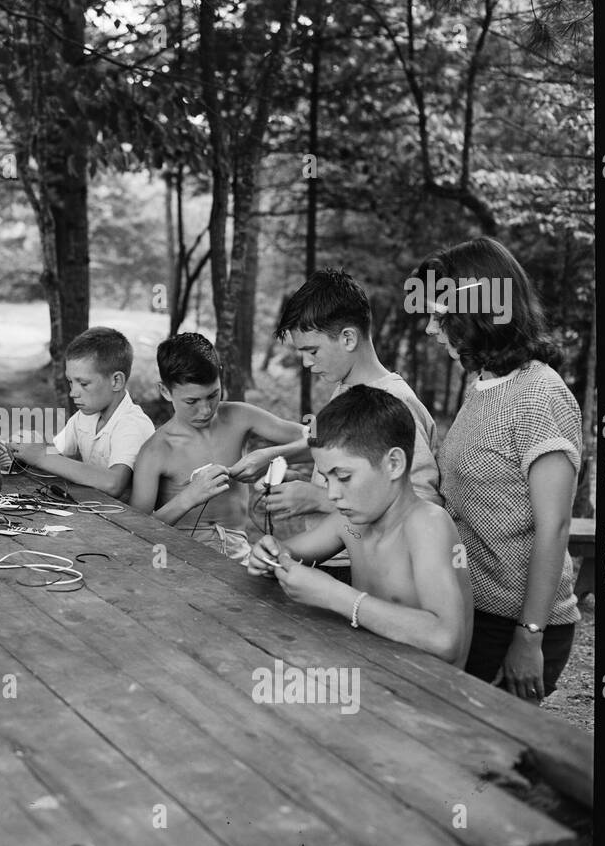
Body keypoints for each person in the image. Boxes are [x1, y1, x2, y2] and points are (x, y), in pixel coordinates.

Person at [417, 236, 582, 701]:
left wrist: (528, 636)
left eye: (441, 315)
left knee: (487, 765)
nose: (431, 329)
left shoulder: (540, 396)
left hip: (519, 624)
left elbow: (555, 526)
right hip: (472, 607)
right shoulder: (483, 385)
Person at [246, 385, 472, 667]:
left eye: (343, 476)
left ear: (393, 463)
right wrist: (268, 556)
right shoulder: (350, 522)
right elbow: (287, 552)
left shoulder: (426, 525)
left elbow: (446, 639)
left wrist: (336, 596)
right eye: (327, 479)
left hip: (429, 696)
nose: (332, 494)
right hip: (374, 676)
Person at [240, 269, 443, 534]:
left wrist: (319, 498)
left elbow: (422, 507)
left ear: (348, 338)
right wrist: (300, 478)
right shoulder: (345, 387)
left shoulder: (394, 402)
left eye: (312, 351)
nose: (306, 362)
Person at [129, 333, 306, 555]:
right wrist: (188, 498)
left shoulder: (239, 417)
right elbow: (133, 530)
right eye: (191, 401)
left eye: (213, 395)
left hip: (238, 553)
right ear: (165, 391)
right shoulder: (156, 450)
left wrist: (269, 457)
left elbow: (317, 437)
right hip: (179, 556)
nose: (205, 410)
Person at [3, 327, 155, 499]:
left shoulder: (132, 424)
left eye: (83, 383)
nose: (73, 393)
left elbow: (113, 483)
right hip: (97, 512)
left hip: (129, 522)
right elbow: (55, 454)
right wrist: (25, 449)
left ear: (116, 381)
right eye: (70, 382)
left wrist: (41, 456)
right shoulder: (84, 417)